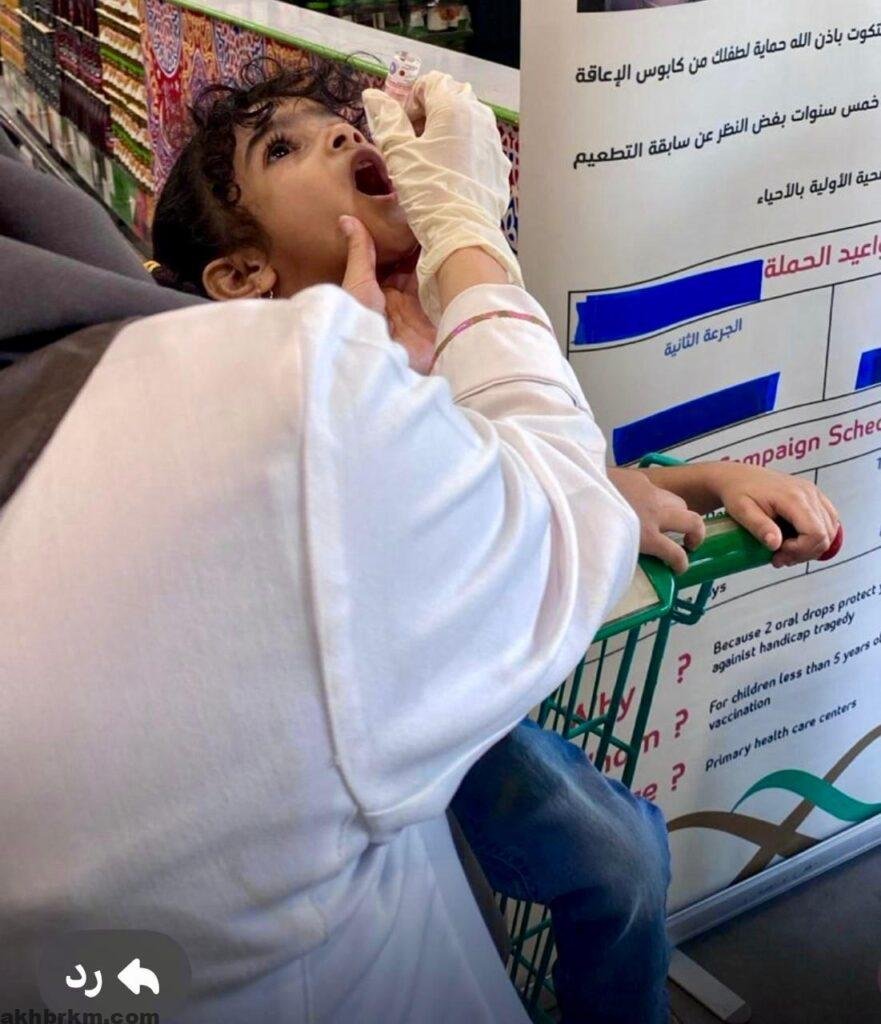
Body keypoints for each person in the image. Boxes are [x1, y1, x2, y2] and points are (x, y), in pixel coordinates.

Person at [147, 60, 840, 1023]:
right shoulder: (276, 394)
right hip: (363, 722)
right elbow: (476, 515)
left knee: (624, 855)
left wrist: (705, 480)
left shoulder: (451, 316)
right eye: (283, 148)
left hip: (456, 696)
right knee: (599, 860)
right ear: (240, 274)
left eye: (340, 122)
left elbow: (545, 467)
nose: (345, 134)